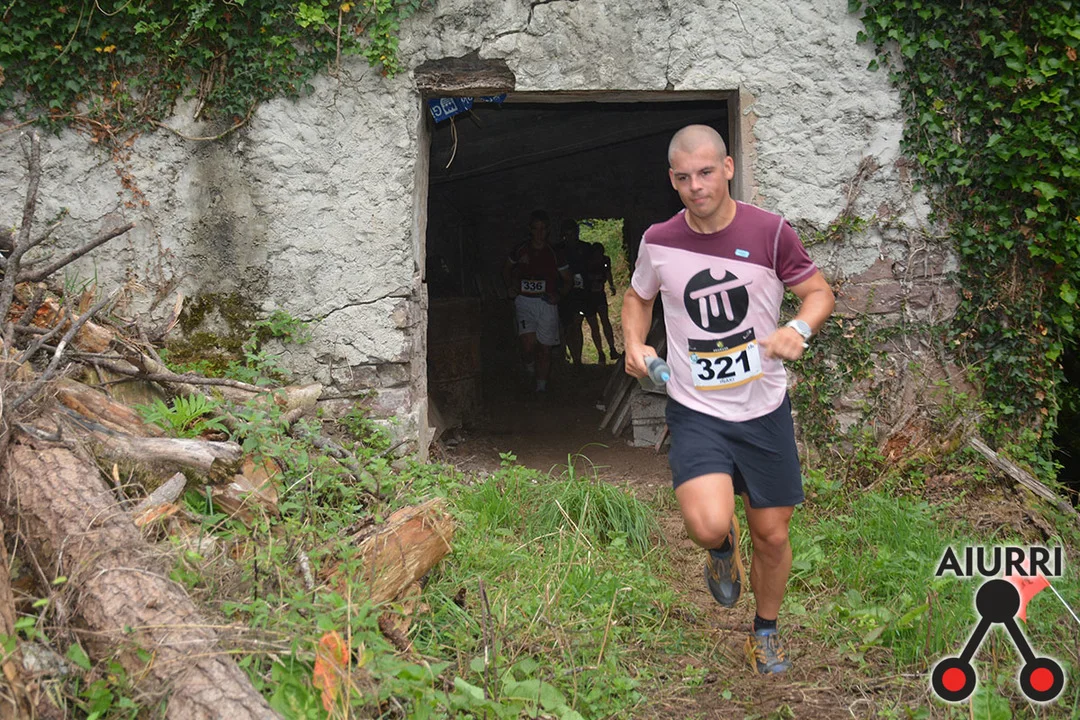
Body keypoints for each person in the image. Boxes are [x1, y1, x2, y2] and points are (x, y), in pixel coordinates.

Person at [621, 125, 835, 674]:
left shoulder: (770, 231)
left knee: (773, 535)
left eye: (706, 172)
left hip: (763, 410)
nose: (696, 186)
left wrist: (798, 329)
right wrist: (634, 343)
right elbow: (638, 297)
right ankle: (721, 548)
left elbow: (818, 293)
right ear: (673, 180)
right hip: (697, 410)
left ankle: (764, 631)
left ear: (729, 168)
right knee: (708, 524)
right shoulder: (658, 240)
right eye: (684, 177)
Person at [504, 210, 572, 393]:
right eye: (536, 229)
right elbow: (507, 269)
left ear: (548, 230)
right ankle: (529, 367)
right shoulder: (520, 250)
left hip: (546, 304)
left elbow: (568, 280)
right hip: (524, 301)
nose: (539, 233)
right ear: (530, 230)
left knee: (545, 349)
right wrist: (510, 287)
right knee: (528, 345)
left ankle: (540, 389)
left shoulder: (555, 254)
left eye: (543, 229)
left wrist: (559, 295)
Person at [554, 219, 589, 365]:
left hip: (580, 293)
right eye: (566, 234)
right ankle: (570, 356)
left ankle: (577, 359)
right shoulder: (557, 250)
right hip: (564, 293)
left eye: (572, 234)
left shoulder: (585, 248)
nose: (569, 237)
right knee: (567, 326)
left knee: (577, 324)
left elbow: (590, 269)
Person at [582, 241, 620, 364]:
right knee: (594, 326)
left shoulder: (605, 260)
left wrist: (611, 285)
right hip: (588, 297)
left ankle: (612, 349)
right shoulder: (586, 263)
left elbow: (608, 273)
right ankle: (600, 353)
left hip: (599, 295)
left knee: (605, 321)